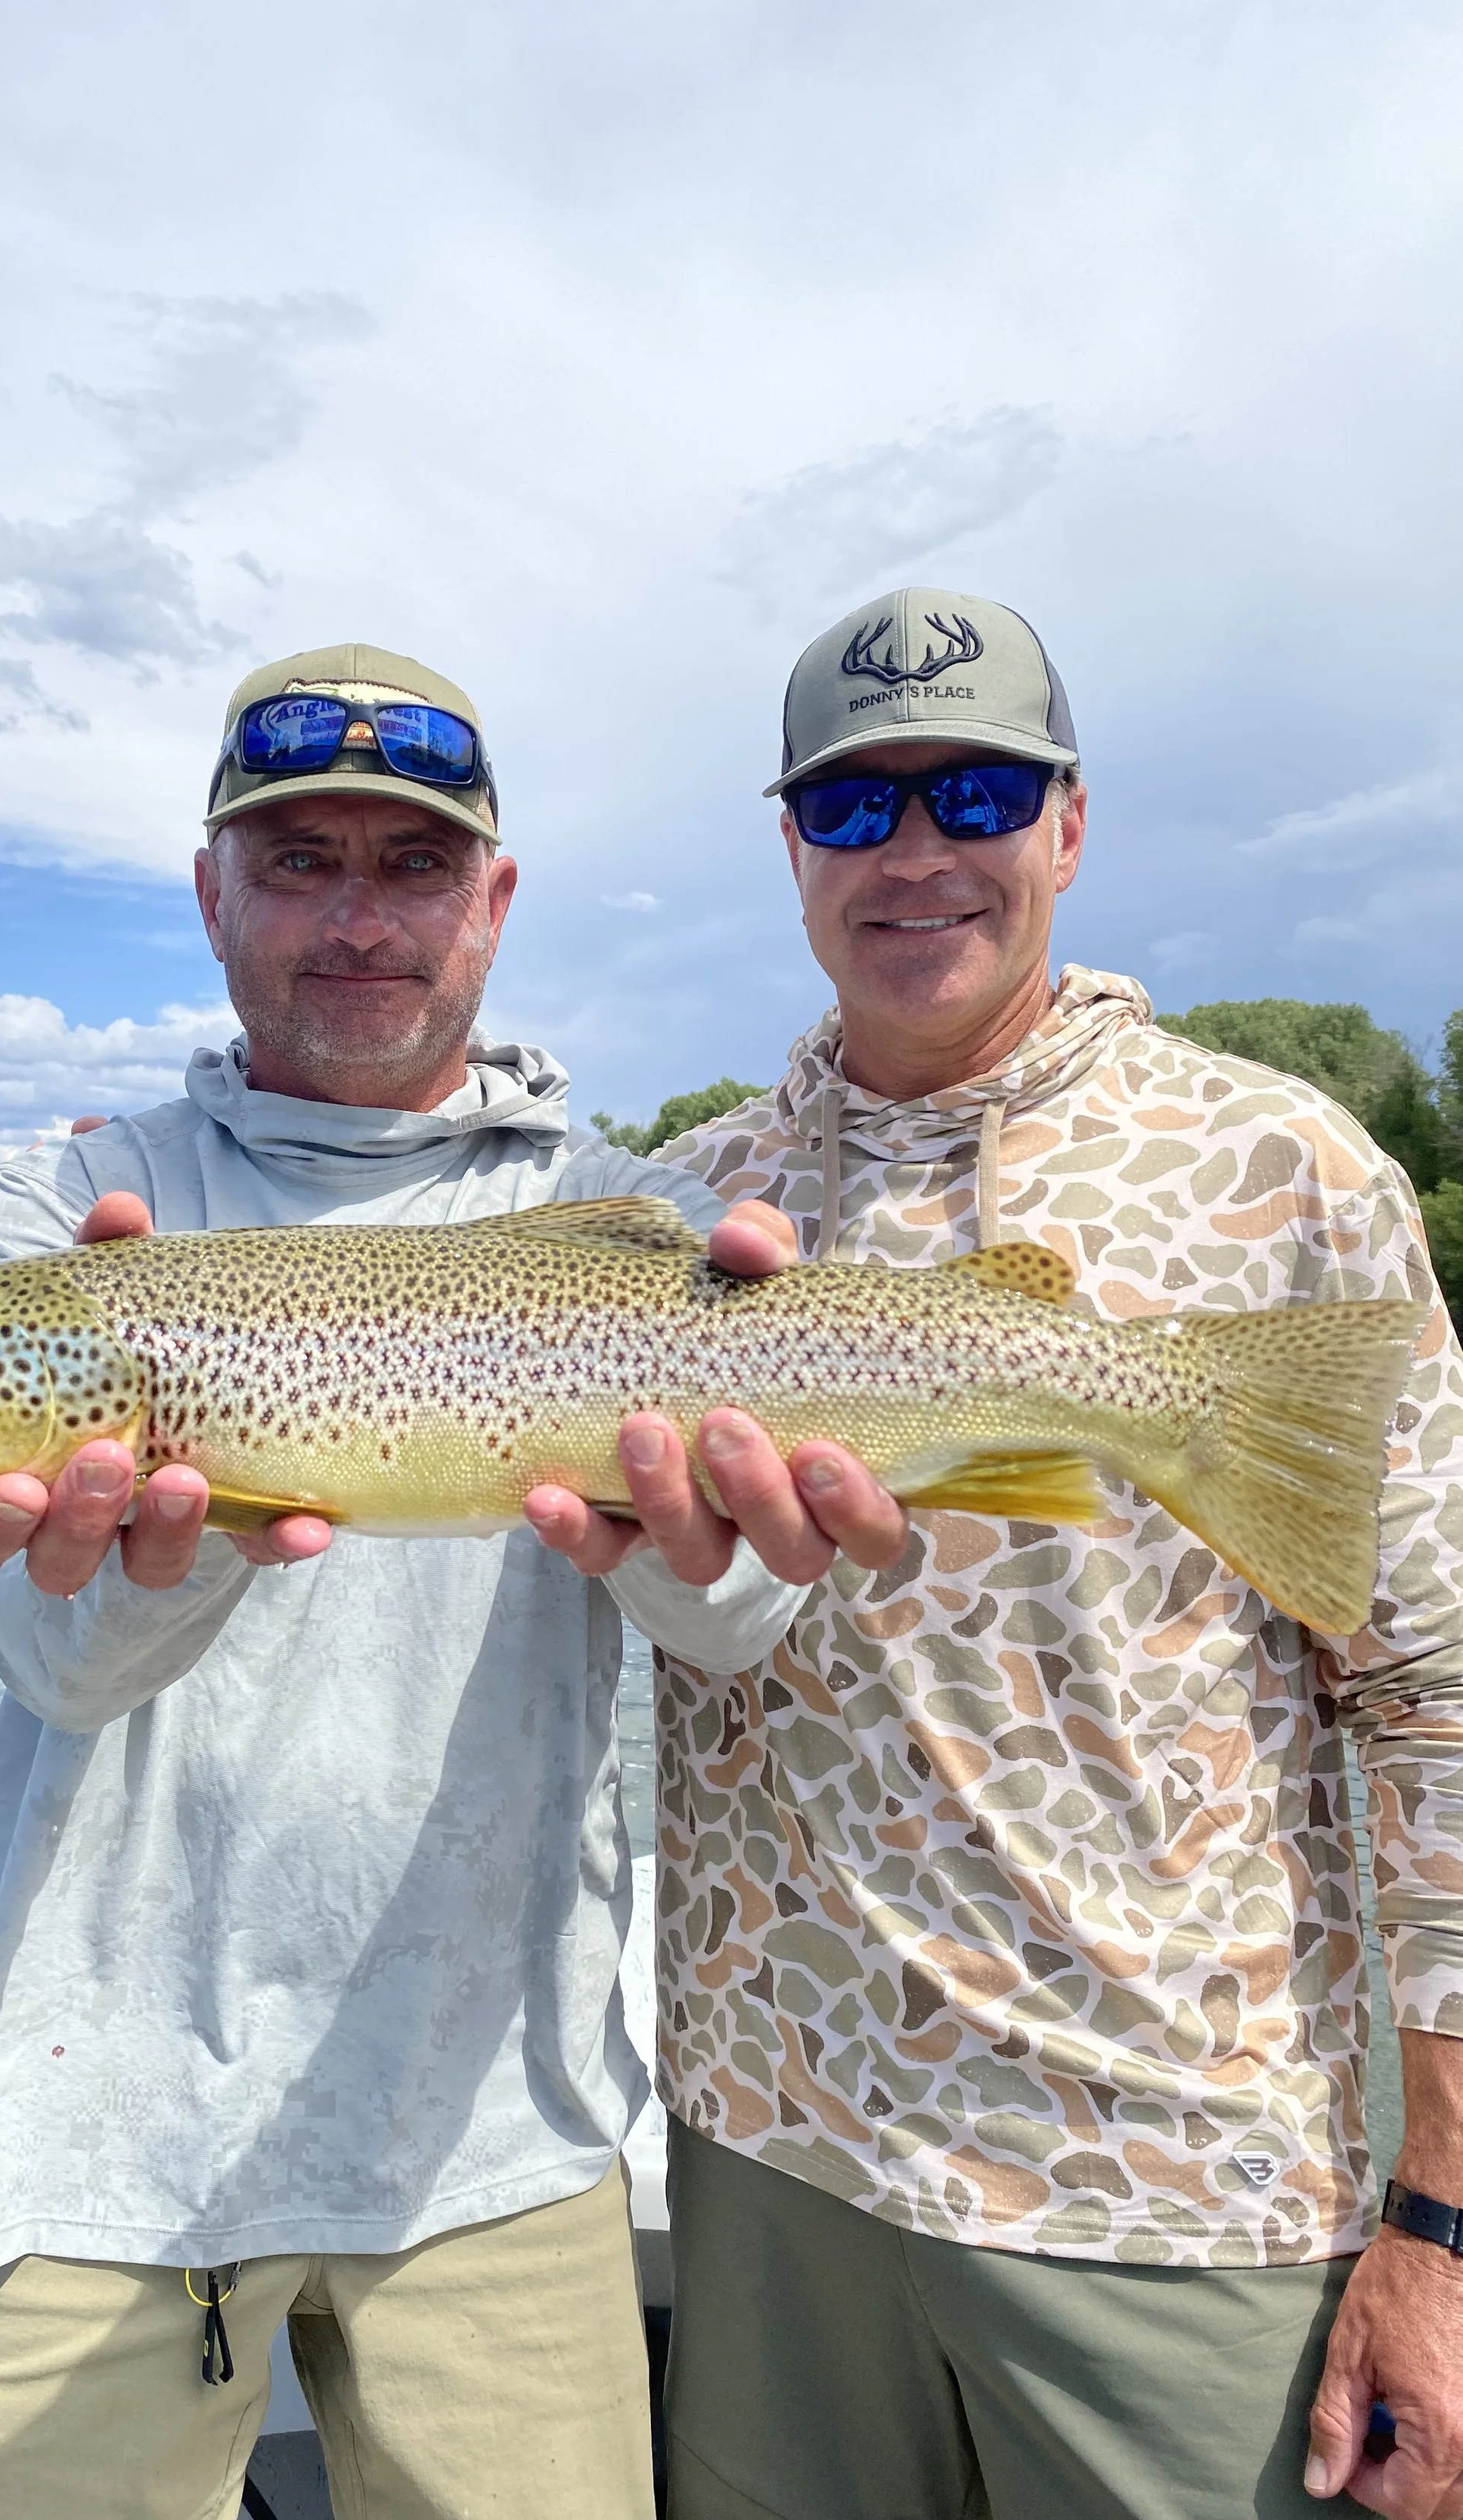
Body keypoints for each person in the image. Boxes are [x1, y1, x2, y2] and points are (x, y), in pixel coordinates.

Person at [0, 643, 901, 2520]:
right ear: (209, 891)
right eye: (298, 861)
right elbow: (58, 1671)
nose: (356, 918)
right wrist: (166, 1559)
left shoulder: (639, 1226)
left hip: (494, 2138)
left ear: (492, 901)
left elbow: (735, 1634)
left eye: (411, 866)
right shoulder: (66, 1221)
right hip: (94, 2140)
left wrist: (723, 1555)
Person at [655, 585, 1463, 2520]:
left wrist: (1438, 2222)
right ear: (787, 849)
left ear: (1069, 826)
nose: (913, 852)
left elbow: (1436, 1700)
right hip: (766, 2162)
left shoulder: (1285, 1171)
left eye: (974, 793)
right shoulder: (688, 1203)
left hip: (1170, 2182)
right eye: (852, 809)